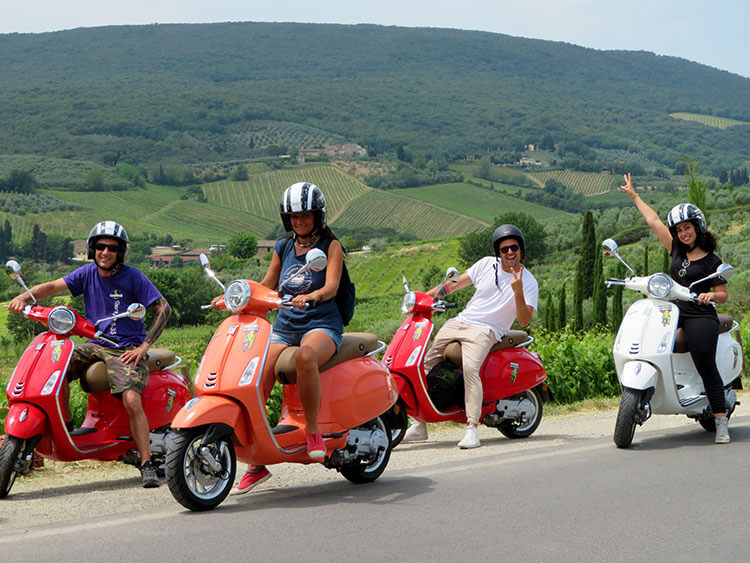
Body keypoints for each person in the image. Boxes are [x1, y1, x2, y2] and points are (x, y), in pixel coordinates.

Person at [8, 221, 172, 486]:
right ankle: (67, 428)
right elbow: (51, 287)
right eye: (100, 246)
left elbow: (164, 309)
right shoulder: (86, 273)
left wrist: (144, 346)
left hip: (125, 348)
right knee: (52, 367)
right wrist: (25, 299)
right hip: (95, 342)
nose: (105, 252)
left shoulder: (133, 277)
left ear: (120, 252)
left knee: (131, 398)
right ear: (92, 249)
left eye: (112, 248)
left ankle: (146, 463)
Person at [230, 181, 345, 494]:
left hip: (321, 324)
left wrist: (312, 296)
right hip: (285, 325)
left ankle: (312, 431)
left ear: (317, 217)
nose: (300, 221)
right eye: (294, 217)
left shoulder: (330, 247)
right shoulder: (283, 246)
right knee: (256, 370)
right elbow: (268, 285)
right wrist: (237, 295)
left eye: (306, 216)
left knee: (306, 356)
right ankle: (257, 457)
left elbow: (332, 286)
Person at [403, 224, 539, 448]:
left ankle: (472, 428)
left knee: (470, 370)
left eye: (514, 247)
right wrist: (421, 299)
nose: (509, 253)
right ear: (498, 252)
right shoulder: (486, 264)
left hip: (486, 330)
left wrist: (517, 292)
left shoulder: (528, 282)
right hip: (460, 321)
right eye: (504, 249)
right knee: (423, 364)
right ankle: (419, 423)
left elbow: (524, 320)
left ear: (521, 248)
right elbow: (454, 284)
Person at [620, 172, 731, 443]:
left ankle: (720, 421)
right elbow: (654, 221)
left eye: (687, 228)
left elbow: (724, 295)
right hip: (672, 311)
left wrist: (709, 297)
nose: (682, 233)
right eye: (679, 230)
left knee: (705, 362)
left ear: (698, 227)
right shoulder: (676, 251)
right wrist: (634, 195)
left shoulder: (711, 261)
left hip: (700, 315)